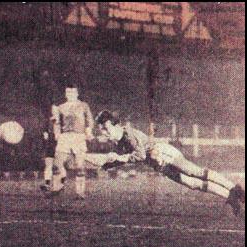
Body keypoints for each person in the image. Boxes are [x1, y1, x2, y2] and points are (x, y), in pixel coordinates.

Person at [94, 110, 245, 216]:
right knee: (192, 184)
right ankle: (229, 196)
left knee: (195, 172)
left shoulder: (128, 134)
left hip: (164, 153)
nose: (105, 133)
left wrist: (118, 159)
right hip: (159, 163)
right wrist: (108, 165)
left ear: (113, 124)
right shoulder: (119, 141)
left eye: (106, 129)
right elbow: (126, 156)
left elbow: (139, 155)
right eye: (102, 130)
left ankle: (235, 189)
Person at [50, 84, 94, 199]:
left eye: (72, 92)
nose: (70, 95)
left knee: (79, 166)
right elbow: (56, 122)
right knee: (56, 165)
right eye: (68, 92)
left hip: (78, 137)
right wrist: (57, 133)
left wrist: (88, 132)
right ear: (65, 94)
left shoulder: (83, 105)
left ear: (77, 94)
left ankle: (80, 192)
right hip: (65, 137)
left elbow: (89, 120)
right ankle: (56, 188)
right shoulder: (61, 107)